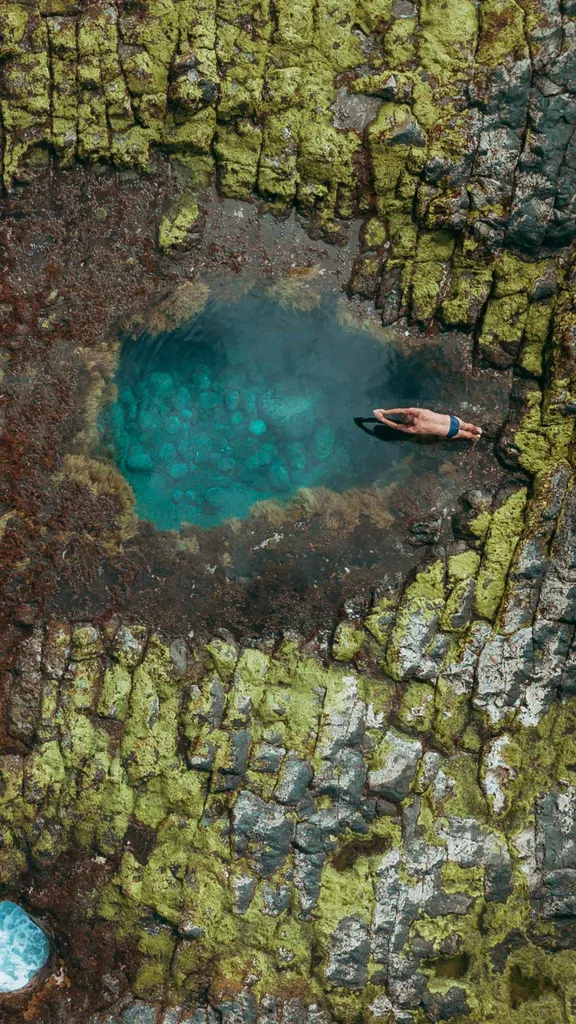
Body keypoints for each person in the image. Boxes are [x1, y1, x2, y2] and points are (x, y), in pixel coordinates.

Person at [372, 407, 482, 441]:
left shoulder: (415, 429)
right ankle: (477, 429)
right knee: (467, 425)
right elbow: (403, 410)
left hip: (449, 431)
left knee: (464, 435)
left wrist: (382, 419)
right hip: (452, 420)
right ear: (412, 415)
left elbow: (396, 426)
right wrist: (385, 412)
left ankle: (474, 436)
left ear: (408, 424)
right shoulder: (421, 413)